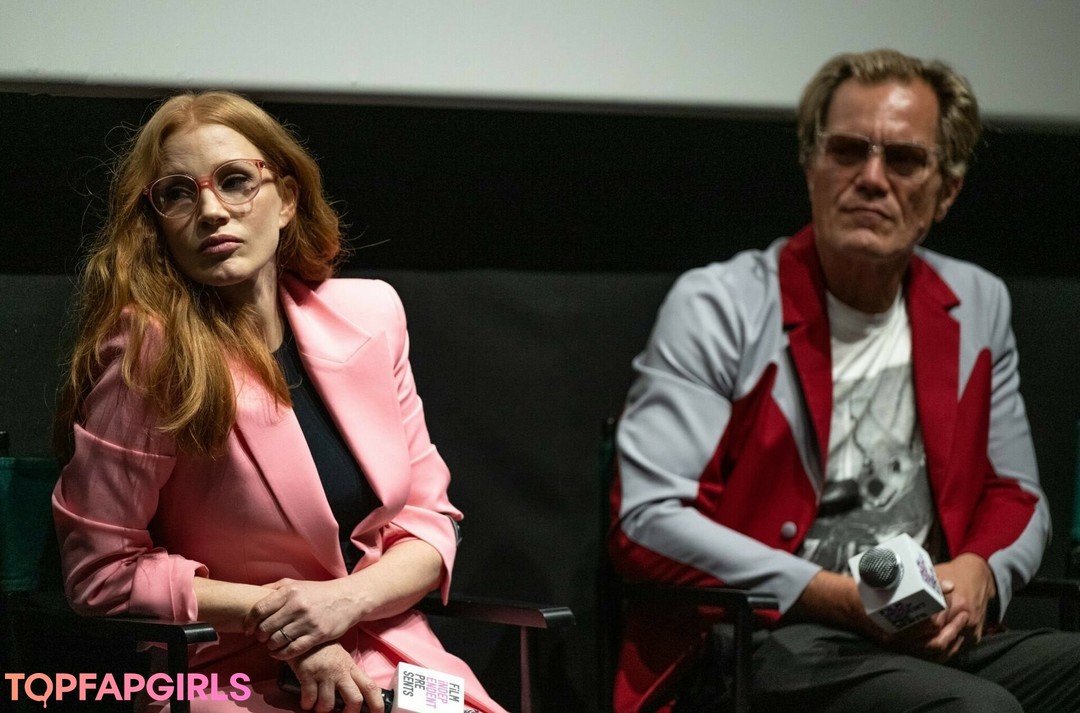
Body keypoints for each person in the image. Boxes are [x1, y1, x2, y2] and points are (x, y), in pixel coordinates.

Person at [609, 49, 1080, 712]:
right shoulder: (721, 305)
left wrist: (980, 573)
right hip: (769, 636)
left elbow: (1017, 495)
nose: (872, 178)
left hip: (925, 635)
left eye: (905, 160)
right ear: (812, 167)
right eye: (848, 151)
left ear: (946, 191)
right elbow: (647, 520)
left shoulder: (977, 303)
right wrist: (834, 596)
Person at [52, 90, 504, 713]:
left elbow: (429, 522)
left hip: (389, 654)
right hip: (223, 674)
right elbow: (101, 573)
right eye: (178, 194)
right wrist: (285, 622)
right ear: (156, 222)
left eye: (236, 181)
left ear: (287, 199)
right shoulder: (149, 349)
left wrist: (343, 603)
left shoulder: (371, 313)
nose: (211, 210)